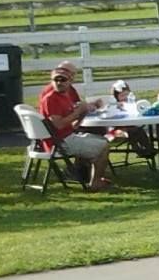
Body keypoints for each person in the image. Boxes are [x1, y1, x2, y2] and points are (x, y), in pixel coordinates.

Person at [38, 62, 114, 190]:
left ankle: (81, 172)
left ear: (70, 81)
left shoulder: (65, 95)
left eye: (63, 80)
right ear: (51, 81)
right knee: (103, 146)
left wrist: (82, 113)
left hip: (67, 137)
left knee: (102, 140)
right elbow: (58, 125)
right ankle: (94, 181)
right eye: (56, 80)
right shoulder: (51, 99)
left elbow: (73, 125)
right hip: (60, 143)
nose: (59, 82)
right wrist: (78, 112)